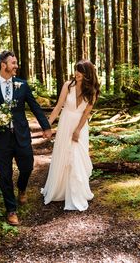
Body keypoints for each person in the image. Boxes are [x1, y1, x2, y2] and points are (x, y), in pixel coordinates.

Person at [0, 51, 52, 225]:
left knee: (27, 166)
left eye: (16, 62)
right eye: (13, 63)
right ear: (3, 65)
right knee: (5, 175)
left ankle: (22, 188)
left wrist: (46, 126)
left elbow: (34, 106)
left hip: (21, 134)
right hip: (1, 138)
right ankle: (11, 210)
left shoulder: (22, 84)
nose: (16, 66)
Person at [41, 60, 100, 211]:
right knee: (63, 155)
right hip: (65, 124)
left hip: (79, 126)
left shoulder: (92, 92)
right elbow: (58, 107)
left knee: (77, 157)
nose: (77, 74)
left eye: (80, 71)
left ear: (88, 73)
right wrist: (47, 126)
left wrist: (78, 130)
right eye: (76, 70)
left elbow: (86, 114)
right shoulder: (68, 85)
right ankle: (60, 190)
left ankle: (76, 193)